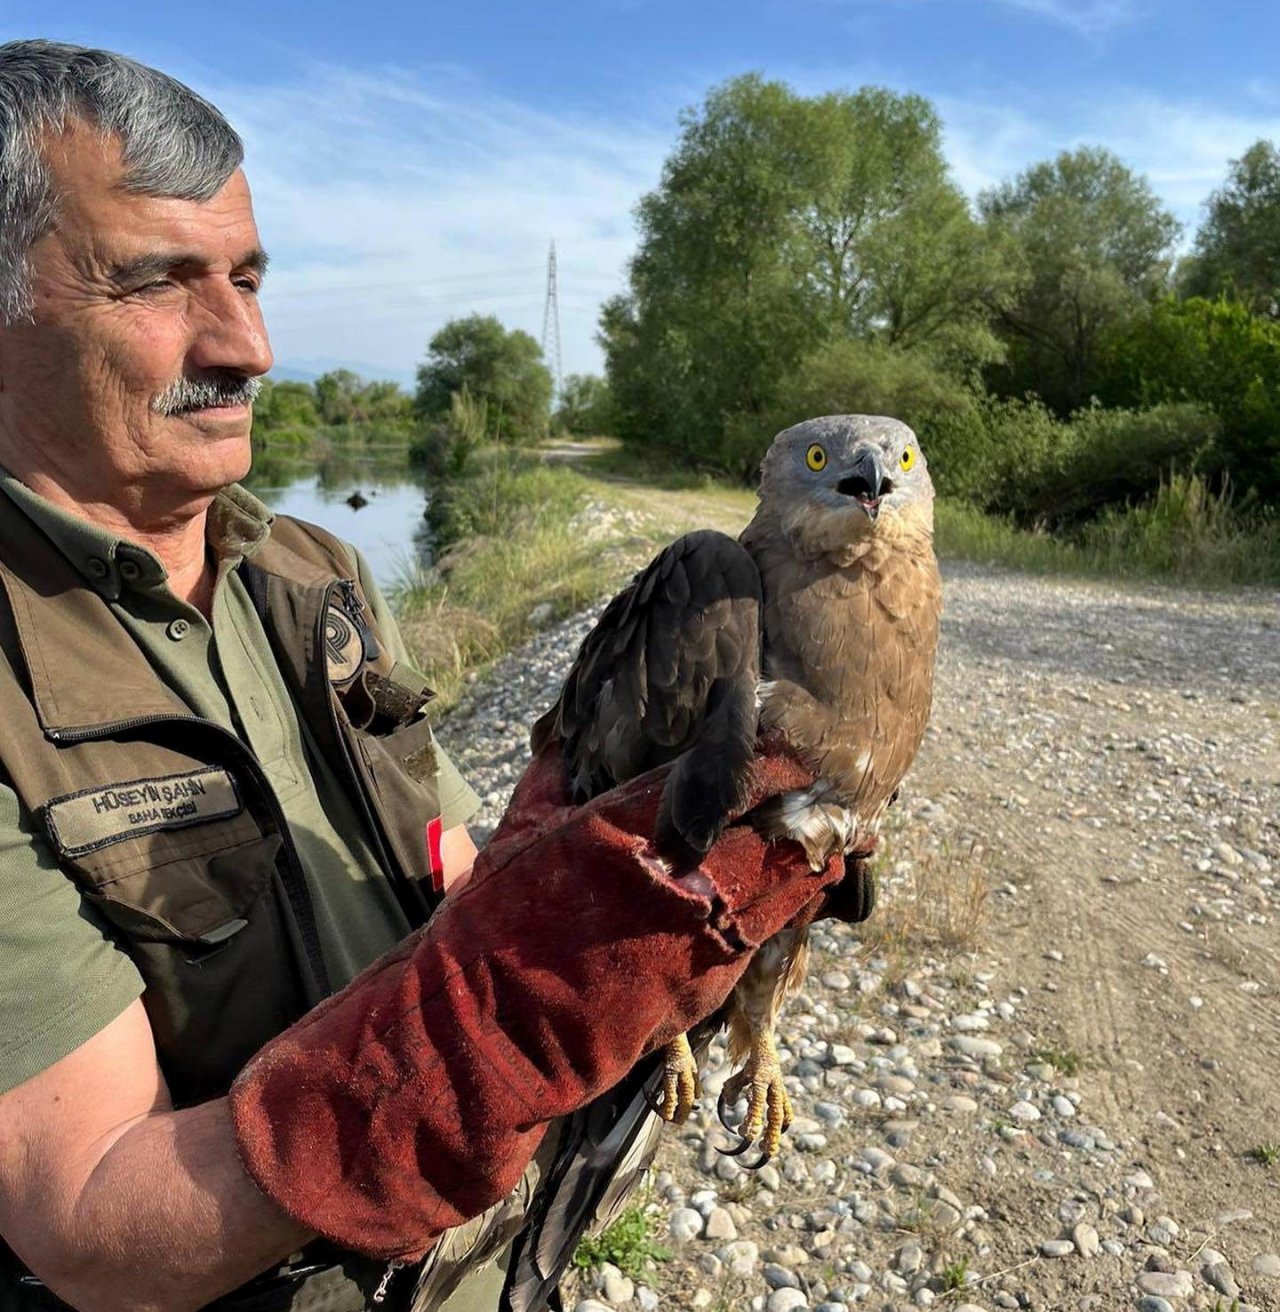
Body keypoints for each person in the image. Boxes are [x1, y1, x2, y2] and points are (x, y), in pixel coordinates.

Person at [0, 39, 864, 1312]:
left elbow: (463, 855)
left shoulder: (313, 568)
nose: (249, 346)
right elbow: (94, 1222)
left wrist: (596, 872)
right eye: (157, 283)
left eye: (247, 274)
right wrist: (509, 1025)